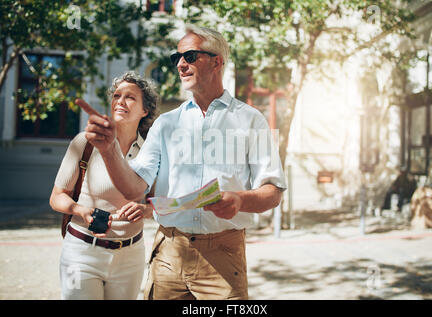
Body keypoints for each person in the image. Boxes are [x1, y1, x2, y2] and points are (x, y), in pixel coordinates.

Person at [80, 25, 287, 300]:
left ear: (217, 62)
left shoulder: (250, 120)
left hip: (223, 259)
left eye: (190, 56)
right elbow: (133, 189)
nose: (180, 64)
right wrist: (108, 150)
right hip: (168, 253)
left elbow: (273, 192)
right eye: (176, 58)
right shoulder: (166, 123)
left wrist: (239, 200)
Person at [49, 71, 158, 300]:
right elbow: (57, 196)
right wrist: (79, 210)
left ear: (145, 110)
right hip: (81, 252)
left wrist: (147, 210)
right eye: (117, 95)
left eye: (130, 97)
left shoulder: (152, 151)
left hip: (130, 256)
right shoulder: (85, 142)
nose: (120, 101)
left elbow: (158, 202)